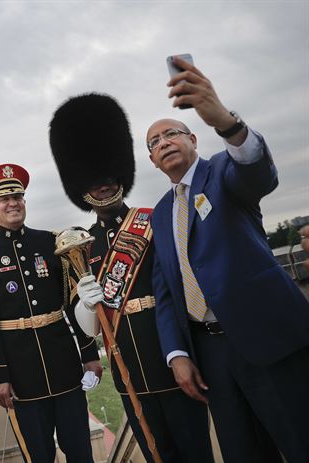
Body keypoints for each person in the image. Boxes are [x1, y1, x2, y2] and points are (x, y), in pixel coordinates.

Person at [148, 56, 309, 463]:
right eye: (154, 142)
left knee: (299, 439)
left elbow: (257, 172)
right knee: (243, 453)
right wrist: (176, 354)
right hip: (210, 357)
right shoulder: (160, 215)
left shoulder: (222, 172)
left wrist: (226, 122)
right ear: (152, 161)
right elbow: (166, 292)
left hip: (266, 339)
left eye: (172, 134)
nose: (164, 142)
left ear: (193, 140)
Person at [48, 93, 214, 463]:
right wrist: (87, 305)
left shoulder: (153, 220)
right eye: (94, 181)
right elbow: (88, 326)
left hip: (170, 357)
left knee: (196, 451)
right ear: (82, 188)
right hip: (129, 372)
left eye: (108, 177)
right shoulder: (81, 245)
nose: (103, 185)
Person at [0, 164, 102, 463]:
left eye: (17, 196)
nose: (12, 202)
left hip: (64, 366)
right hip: (20, 376)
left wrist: (90, 354)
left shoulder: (50, 243)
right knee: (39, 456)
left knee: (81, 451)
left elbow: (74, 302)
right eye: (4, 198)